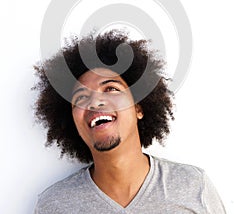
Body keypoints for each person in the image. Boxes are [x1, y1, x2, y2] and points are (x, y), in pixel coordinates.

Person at [33, 30, 226, 213]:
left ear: (139, 108)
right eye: (81, 98)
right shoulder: (54, 205)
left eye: (111, 88)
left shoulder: (193, 186)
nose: (95, 102)